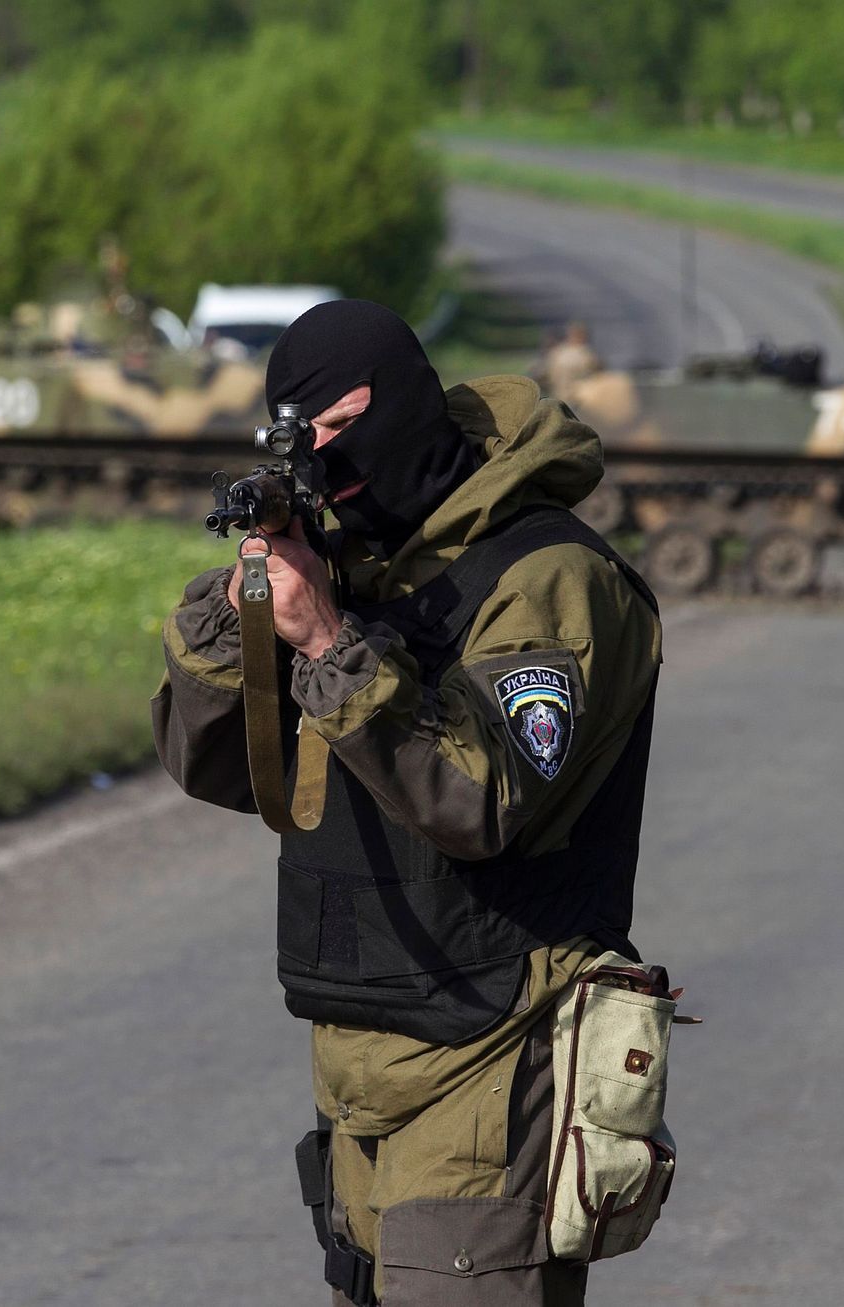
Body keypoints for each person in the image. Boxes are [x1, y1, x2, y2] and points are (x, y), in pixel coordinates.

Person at [152, 300, 664, 1305]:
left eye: (344, 427)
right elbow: (212, 768)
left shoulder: (548, 575)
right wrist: (244, 614)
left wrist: (334, 641)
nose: (332, 463)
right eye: (306, 439)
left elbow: (478, 798)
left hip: (493, 1048)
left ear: (410, 411)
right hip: (362, 1047)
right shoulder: (367, 561)